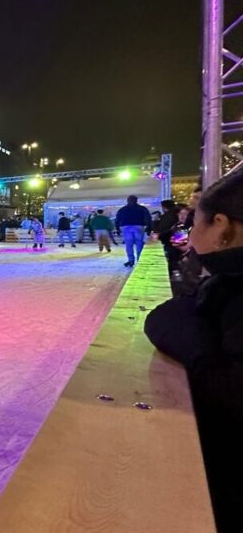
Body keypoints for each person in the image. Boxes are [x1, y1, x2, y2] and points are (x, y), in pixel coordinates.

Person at [145, 170, 243, 531]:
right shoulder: (225, 285)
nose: (188, 236)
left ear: (221, 226)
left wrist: (190, 341)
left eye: (194, 223)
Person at [116, 194, 152, 268]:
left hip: (126, 227)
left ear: (128, 200)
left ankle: (131, 260)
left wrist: (117, 228)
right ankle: (140, 260)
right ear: (136, 200)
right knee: (139, 244)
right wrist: (149, 227)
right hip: (138, 227)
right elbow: (148, 218)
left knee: (129, 245)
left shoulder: (122, 209)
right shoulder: (142, 209)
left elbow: (117, 219)